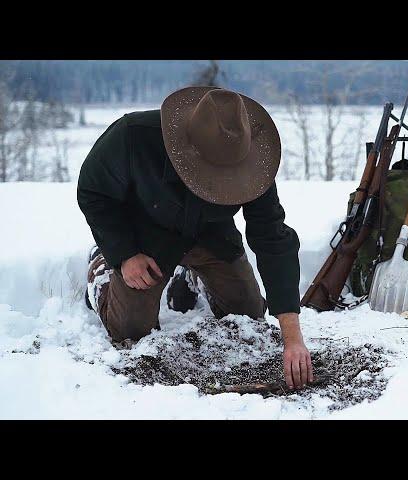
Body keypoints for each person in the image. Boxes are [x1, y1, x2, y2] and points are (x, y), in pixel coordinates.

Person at [78, 87, 313, 389]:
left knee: (249, 313)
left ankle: (190, 278)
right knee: (131, 331)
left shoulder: (254, 163)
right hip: (146, 236)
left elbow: (272, 237)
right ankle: (101, 271)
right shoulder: (132, 136)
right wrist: (122, 253)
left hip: (210, 233)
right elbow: (93, 192)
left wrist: (292, 338)